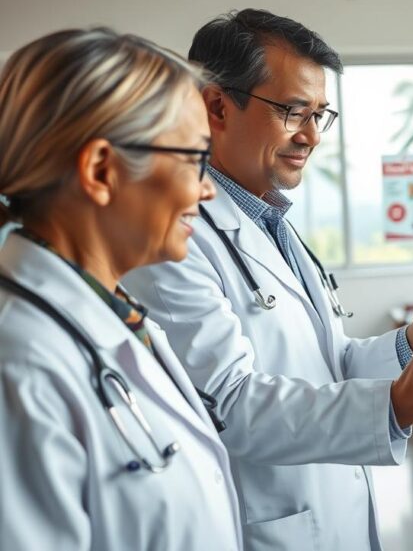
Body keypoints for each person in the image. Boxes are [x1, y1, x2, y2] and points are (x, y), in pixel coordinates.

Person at [122, 9, 413, 551]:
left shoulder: (274, 224)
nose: (312, 135)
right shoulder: (175, 237)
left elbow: (329, 367)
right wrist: (399, 406)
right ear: (216, 105)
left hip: (329, 513)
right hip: (263, 526)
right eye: (293, 111)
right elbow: (230, 406)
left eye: (320, 114)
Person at [0, 28, 240, 549]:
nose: (208, 188)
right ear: (102, 170)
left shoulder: (116, 318)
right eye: (196, 158)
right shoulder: (19, 365)